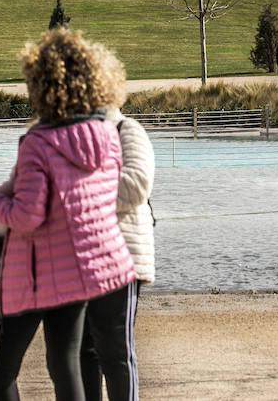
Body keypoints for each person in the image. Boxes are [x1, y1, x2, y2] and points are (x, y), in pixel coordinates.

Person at [0, 28, 136, 401]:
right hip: (98, 268)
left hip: (38, 272)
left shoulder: (38, 142)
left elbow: (29, 215)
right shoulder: (106, 135)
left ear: (42, 84)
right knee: (66, 364)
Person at [81, 102, 155, 401]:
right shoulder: (74, 135)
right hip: (80, 258)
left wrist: (83, 192)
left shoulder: (128, 131)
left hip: (122, 258)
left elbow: (137, 185)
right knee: (83, 352)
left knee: (115, 351)